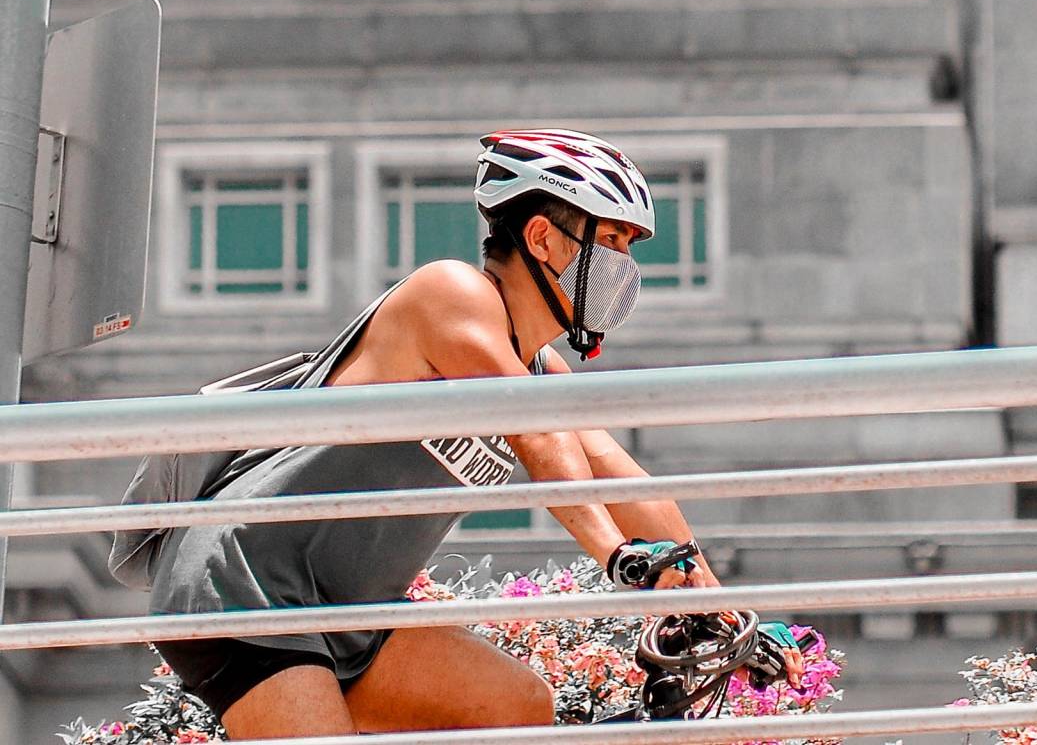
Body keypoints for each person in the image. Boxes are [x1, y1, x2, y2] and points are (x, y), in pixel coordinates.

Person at [146, 128, 717, 739]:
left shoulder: (538, 363)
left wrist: (724, 610)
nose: (624, 266)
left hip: (350, 608)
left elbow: (624, 478)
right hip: (245, 583)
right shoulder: (452, 295)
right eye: (609, 240)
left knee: (516, 708)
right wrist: (616, 554)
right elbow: (535, 432)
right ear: (542, 237)